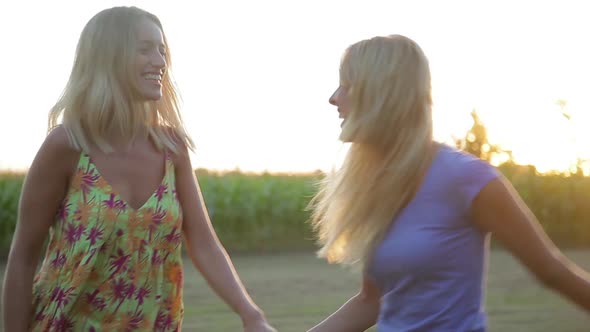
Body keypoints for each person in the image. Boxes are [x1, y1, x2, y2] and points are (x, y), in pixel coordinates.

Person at [2, 6, 276, 332]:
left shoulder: (171, 149)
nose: (160, 62)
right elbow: (22, 259)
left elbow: (203, 242)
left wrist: (251, 314)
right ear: (109, 58)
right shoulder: (68, 145)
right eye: (145, 50)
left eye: (162, 51)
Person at [306, 34, 590, 332]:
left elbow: (552, 271)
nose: (334, 97)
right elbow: (370, 301)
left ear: (381, 94)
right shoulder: (381, 185)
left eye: (348, 86)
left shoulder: (467, 178)